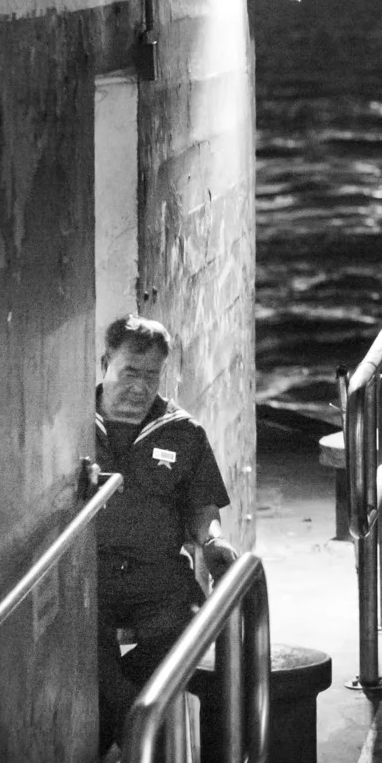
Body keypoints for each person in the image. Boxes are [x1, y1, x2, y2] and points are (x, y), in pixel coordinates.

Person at [93, 314, 237, 734]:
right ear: (106, 362)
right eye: (129, 372)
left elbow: (202, 506)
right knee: (80, 646)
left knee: (195, 626)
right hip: (88, 579)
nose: (139, 386)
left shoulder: (182, 432)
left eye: (151, 376)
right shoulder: (69, 424)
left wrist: (213, 541)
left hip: (157, 577)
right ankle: (137, 734)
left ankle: (124, 717)